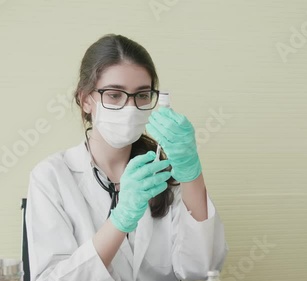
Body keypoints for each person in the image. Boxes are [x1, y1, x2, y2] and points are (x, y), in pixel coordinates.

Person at [26, 34, 228, 281]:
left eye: (142, 95)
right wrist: (120, 220)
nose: (130, 108)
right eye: (114, 95)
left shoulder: (163, 172)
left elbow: (203, 271)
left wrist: (191, 174)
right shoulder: (51, 177)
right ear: (86, 100)